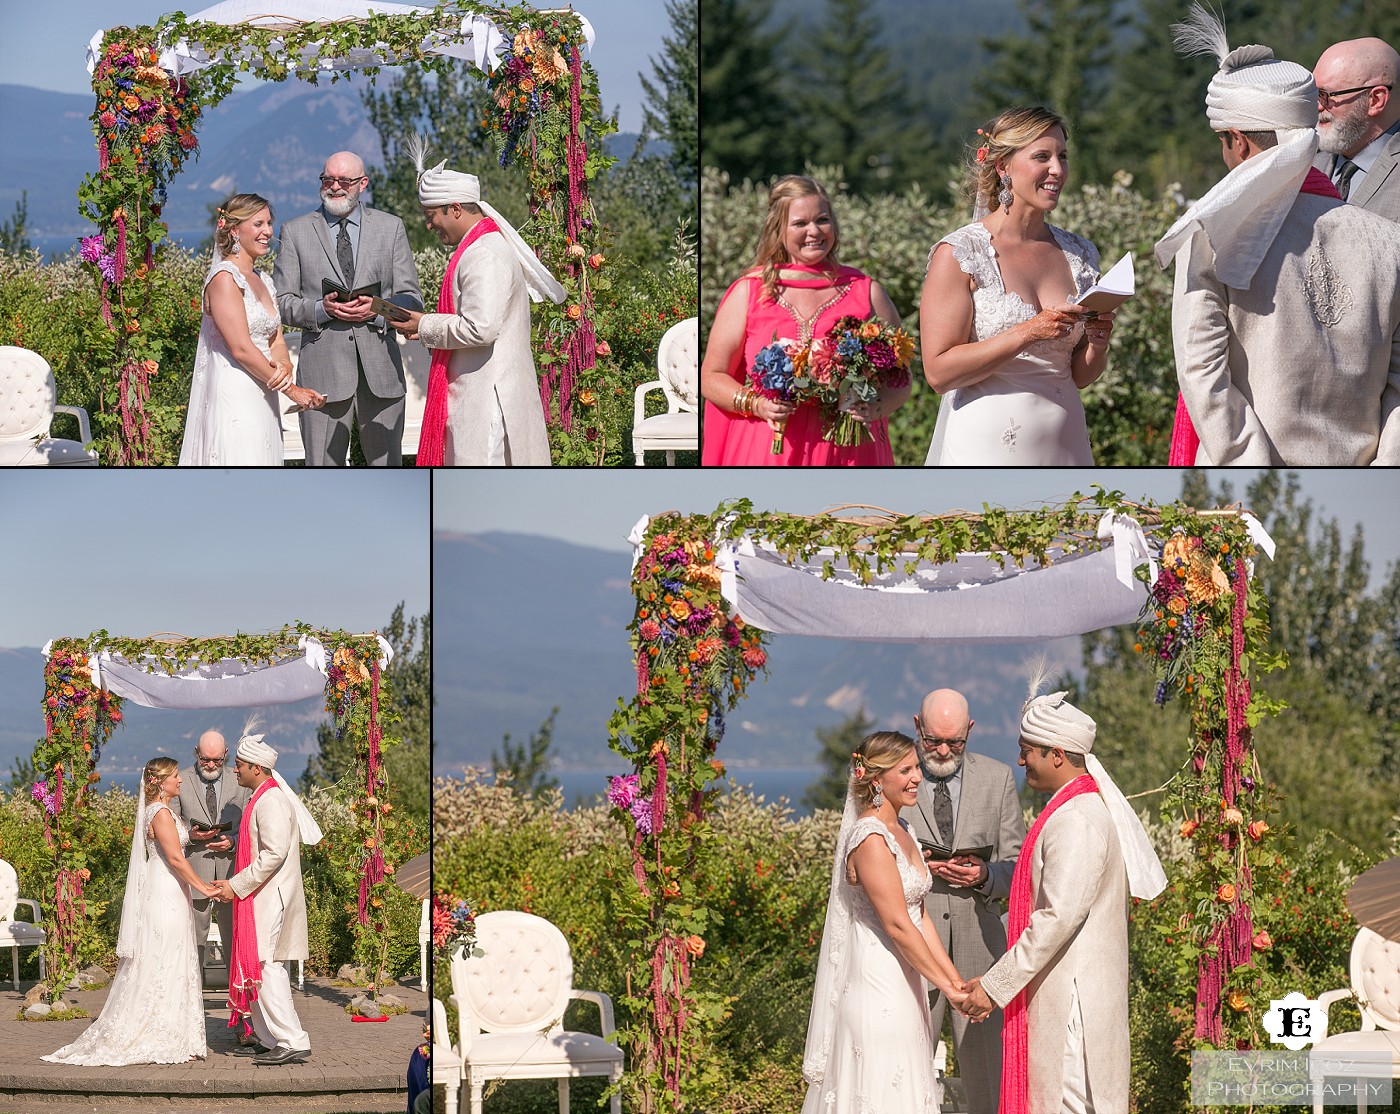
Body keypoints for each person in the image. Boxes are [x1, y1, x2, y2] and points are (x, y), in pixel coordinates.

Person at [1155, 6, 1400, 466]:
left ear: (1237, 140)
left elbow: (1202, 374)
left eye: (1222, 142)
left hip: (1244, 484)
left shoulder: (1213, 232)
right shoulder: (1389, 242)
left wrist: (1253, 467)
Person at [961, 680, 1166, 1114]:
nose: (1020, 761)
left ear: (1056, 754)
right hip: (1068, 995)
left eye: (1027, 750)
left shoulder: (1076, 820)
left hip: (1074, 1006)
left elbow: (1057, 918)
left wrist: (994, 986)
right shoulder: (1074, 810)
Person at [920, 106, 1113, 466]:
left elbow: (1080, 375)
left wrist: (1098, 344)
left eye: (1062, 156)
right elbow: (938, 373)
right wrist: (1029, 332)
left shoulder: (1082, 254)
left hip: (1066, 439)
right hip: (986, 445)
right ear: (1003, 167)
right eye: (1042, 156)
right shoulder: (960, 253)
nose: (1057, 169)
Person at [802, 730, 972, 1114]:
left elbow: (921, 916)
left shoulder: (904, 830)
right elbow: (897, 925)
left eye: (916, 768)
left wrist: (955, 982)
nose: (917, 778)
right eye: (906, 770)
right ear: (876, 780)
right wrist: (950, 989)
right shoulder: (870, 838)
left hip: (905, 984)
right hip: (877, 984)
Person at [700, 175, 910, 466]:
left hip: (847, 450)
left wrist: (874, 406)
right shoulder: (748, 292)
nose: (814, 231)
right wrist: (758, 404)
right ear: (779, 229)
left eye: (822, 220)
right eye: (800, 223)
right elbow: (711, 377)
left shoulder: (867, 291)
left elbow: (900, 379)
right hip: (767, 448)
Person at [387, 139, 564, 466]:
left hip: (490, 397)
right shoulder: (479, 248)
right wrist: (424, 325)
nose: (429, 225)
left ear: (454, 209)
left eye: (431, 215)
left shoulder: (484, 254)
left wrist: (424, 324)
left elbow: (480, 328)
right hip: (481, 391)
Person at [43, 757, 219, 1066]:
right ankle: (161, 1033)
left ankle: (175, 1032)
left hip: (168, 889)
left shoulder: (162, 812)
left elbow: (173, 845)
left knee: (169, 958)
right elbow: (176, 860)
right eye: (176, 776)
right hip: (166, 892)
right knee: (167, 958)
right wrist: (204, 888)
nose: (180, 780)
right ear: (161, 781)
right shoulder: (161, 812)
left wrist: (195, 836)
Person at [903, 689, 1026, 1114]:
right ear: (916, 726)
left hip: (982, 946)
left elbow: (1020, 865)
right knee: (902, 1067)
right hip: (912, 946)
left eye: (954, 743)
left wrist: (985, 874)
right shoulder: (893, 777)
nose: (941, 751)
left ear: (970, 731)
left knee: (989, 1079)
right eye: (933, 740)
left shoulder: (999, 778)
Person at [274, 151, 423, 466]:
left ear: (363, 183)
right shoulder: (295, 231)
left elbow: (411, 297)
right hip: (321, 376)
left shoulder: (391, 227)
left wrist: (378, 309)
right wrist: (320, 309)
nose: (335, 187)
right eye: (328, 179)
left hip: (382, 374)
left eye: (344, 180)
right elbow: (281, 303)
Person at [179, 194, 326, 465]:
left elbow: (276, 337)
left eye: (269, 223)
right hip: (236, 395)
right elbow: (242, 349)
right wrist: (292, 390)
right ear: (234, 231)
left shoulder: (263, 279)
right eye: (258, 224)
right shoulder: (224, 279)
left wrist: (284, 363)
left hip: (264, 393)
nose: (268, 232)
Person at [211, 727, 323, 1066]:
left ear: (256, 768)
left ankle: (292, 1038)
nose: (235, 769)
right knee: (257, 965)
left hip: (270, 896)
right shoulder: (263, 796)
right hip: (261, 895)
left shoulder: (271, 800)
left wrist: (236, 884)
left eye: (240, 764)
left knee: (267, 966)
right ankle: (269, 1036)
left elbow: (273, 854)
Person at [171, 729, 250, 976]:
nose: (211, 765)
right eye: (205, 759)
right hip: (194, 871)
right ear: (196, 752)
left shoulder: (241, 781)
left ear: (226, 754)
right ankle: (192, 998)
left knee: (234, 939)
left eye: (217, 760)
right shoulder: (180, 780)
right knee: (193, 942)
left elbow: (250, 826)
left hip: (231, 873)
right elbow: (168, 824)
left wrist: (233, 841)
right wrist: (190, 834)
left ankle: (237, 999)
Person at [1314, 38, 1400, 221]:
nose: (1317, 106)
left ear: (1376, 100)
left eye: (1326, 95)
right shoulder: (1306, 167)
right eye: (1313, 93)